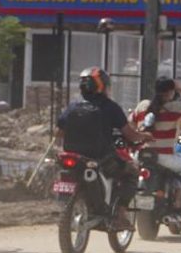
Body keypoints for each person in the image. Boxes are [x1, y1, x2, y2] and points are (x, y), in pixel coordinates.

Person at [57, 68, 146, 209]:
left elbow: (60, 132)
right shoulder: (110, 107)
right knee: (133, 171)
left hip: (75, 157)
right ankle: (121, 211)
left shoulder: (72, 106)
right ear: (102, 86)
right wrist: (144, 136)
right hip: (102, 158)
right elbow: (130, 134)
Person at [133, 77, 181, 212]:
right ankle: (178, 198)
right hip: (164, 157)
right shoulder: (176, 108)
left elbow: (130, 124)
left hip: (141, 155)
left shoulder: (143, 106)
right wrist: (180, 87)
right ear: (171, 92)